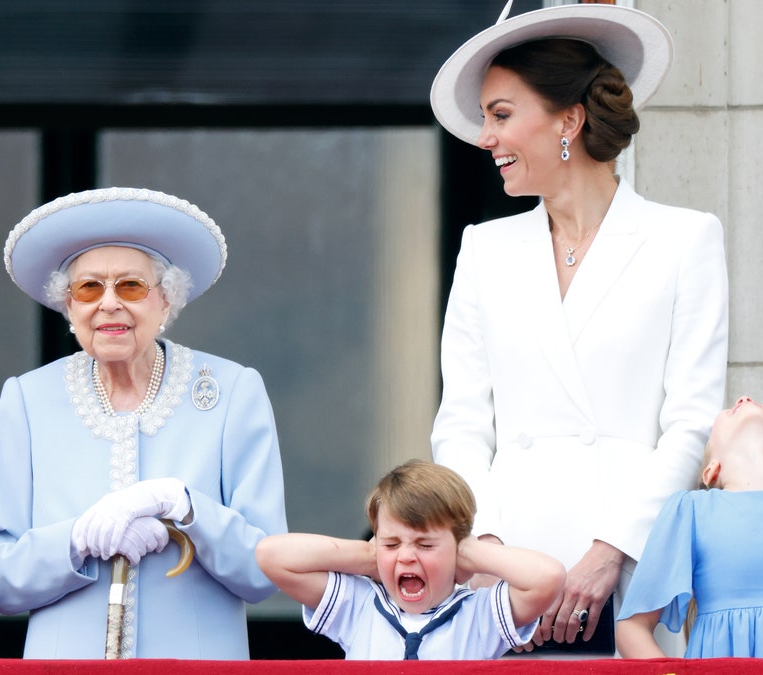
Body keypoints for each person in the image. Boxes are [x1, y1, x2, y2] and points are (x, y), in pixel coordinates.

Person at [428, 1, 729, 655]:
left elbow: (691, 421)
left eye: (501, 115)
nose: (486, 138)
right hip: (506, 585)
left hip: (633, 577)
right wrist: (493, 553)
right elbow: (462, 424)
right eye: (485, 118)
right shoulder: (484, 250)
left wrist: (611, 550)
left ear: (569, 118)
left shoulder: (684, 240)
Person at [0, 187, 288, 659]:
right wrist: (75, 540)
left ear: (165, 302)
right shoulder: (28, 399)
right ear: (70, 307)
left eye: (131, 286)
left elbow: (266, 572)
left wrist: (184, 508)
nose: (109, 304)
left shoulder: (232, 391)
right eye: (89, 288)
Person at [256, 459, 565, 660]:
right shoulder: (359, 606)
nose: (405, 556)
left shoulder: (478, 616)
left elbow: (548, 577)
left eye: (425, 545)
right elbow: (271, 555)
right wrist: (368, 555)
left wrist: (470, 553)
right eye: (391, 543)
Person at [617, 395, 763, 658]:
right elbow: (632, 628)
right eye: (730, 408)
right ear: (711, 471)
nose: (744, 398)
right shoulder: (692, 510)